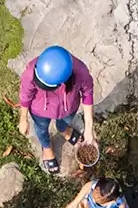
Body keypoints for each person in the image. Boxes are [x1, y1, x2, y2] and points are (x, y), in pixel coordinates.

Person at [19, 45, 94, 175]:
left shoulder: (80, 71)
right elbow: (25, 93)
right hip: (40, 111)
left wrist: (89, 129)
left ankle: (64, 131)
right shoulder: (33, 68)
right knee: (41, 129)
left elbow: (87, 94)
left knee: (64, 123)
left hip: (68, 108)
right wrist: (23, 118)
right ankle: (47, 148)